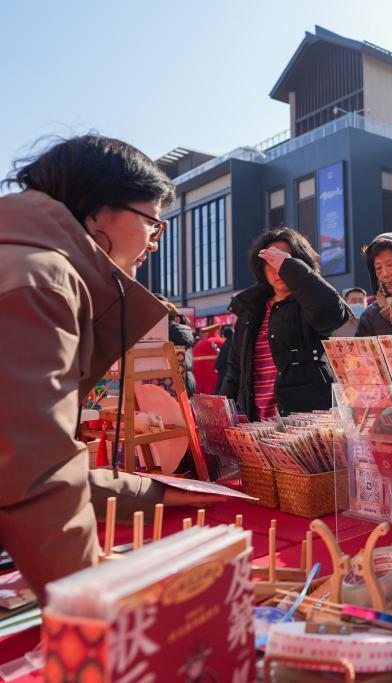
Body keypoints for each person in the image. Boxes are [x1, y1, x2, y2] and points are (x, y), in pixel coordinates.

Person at [0, 135, 224, 599]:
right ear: (99, 210)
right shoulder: (42, 279)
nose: (153, 244)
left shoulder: (26, 264)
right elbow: (33, 470)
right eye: (152, 224)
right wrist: (93, 610)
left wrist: (153, 494)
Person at [221, 228, 349, 421]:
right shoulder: (250, 309)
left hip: (305, 423)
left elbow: (329, 313)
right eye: (270, 261)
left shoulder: (310, 301)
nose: (278, 268)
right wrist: (221, 416)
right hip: (257, 423)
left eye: (283, 260)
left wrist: (289, 266)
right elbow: (235, 372)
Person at [193, 324, 225, 395]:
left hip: (201, 388)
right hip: (219, 385)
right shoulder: (223, 343)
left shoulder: (197, 345)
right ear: (218, 331)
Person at [214, 324, 233, 395]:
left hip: (224, 369)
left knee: (221, 385)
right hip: (232, 367)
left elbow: (221, 357)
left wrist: (216, 366)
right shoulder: (234, 343)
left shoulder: (226, 344)